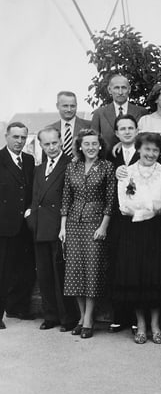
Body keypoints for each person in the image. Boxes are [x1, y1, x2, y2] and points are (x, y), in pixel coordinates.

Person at [113, 133, 161, 344]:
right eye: (147, 149)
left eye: (155, 150)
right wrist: (148, 208)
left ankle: (155, 325)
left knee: (155, 277)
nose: (151, 154)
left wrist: (142, 209)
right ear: (139, 149)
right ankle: (141, 325)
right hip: (132, 232)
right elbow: (124, 207)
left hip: (156, 231)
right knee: (136, 277)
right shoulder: (126, 172)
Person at [59, 129, 115, 339]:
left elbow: (111, 200)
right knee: (74, 272)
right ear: (80, 146)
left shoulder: (107, 166)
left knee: (91, 272)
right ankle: (82, 317)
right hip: (73, 222)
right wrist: (63, 226)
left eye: (94, 144)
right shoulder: (72, 166)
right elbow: (66, 196)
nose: (90, 147)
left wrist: (104, 226)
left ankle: (90, 319)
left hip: (95, 223)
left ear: (100, 146)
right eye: (86, 144)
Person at [27, 127, 77, 331]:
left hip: (60, 227)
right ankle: (50, 316)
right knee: (45, 273)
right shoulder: (39, 169)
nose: (51, 147)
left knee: (61, 274)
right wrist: (30, 216)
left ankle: (68, 318)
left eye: (54, 143)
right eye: (46, 144)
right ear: (41, 145)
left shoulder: (71, 165)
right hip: (39, 228)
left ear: (61, 142)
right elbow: (35, 198)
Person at [0, 122, 36, 328]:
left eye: (23, 138)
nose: (19, 141)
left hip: (25, 225)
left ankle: (18, 308)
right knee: (3, 270)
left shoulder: (29, 160)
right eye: (16, 137)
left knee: (25, 269)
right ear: (7, 136)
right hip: (4, 225)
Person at [107, 115, 140, 333]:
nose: (127, 132)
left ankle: (138, 317)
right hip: (117, 218)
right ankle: (120, 315)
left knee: (137, 266)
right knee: (118, 265)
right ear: (117, 133)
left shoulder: (145, 152)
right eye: (122, 129)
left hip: (139, 217)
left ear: (137, 130)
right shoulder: (110, 155)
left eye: (130, 128)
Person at [90, 74, 147, 155]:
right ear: (109, 90)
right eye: (116, 88)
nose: (120, 92)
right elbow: (93, 140)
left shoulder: (141, 112)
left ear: (129, 89)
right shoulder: (99, 113)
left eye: (124, 88)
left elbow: (145, 139)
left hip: (135, 160)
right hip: (107, 160)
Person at [47, 91, 91, 158]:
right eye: (65, 106)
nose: (69, 109)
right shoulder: (49, 129)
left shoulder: (89, 126)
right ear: (57, 106)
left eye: (72, 106)